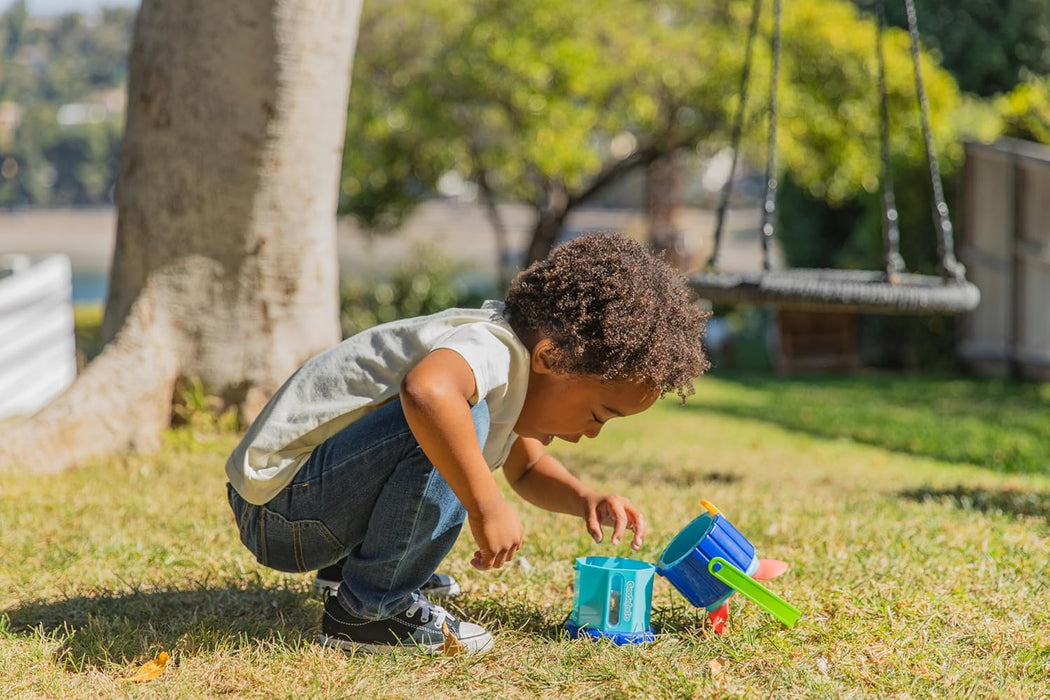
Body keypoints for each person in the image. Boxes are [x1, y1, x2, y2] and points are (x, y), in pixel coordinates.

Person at [225, 232, 710, 654]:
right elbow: (427, 394)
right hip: (282, 510)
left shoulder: (510, 377)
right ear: (550, 358)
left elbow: (525, 467)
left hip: (303, 507)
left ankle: (360, 572)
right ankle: (368, 611)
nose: (593, 431)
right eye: (600, 412)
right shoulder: (489, 348)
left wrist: (585, 497)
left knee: (462, 422)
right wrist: (486, 506)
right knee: (454, 417)